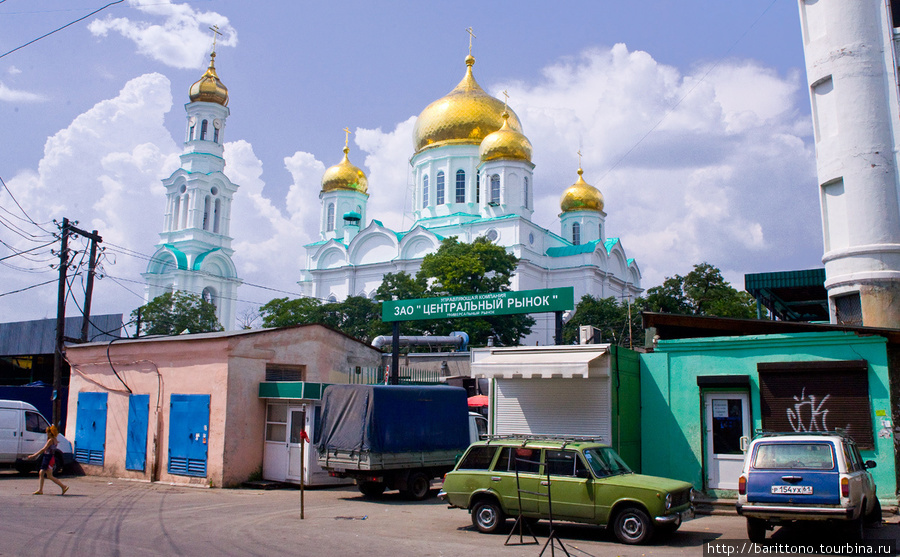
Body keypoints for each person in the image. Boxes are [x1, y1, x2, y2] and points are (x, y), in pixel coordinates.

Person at [28, 425, 68, 495]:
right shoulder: (55, 440)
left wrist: (34, 455)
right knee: (42, 473)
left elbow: (44, 449)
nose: (46, 433)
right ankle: (40, 490)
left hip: (48, 458)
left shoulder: (50, 440)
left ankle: (63, 486)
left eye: (47, 432)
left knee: (49, 475)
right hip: (51, 458)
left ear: (50, 433)